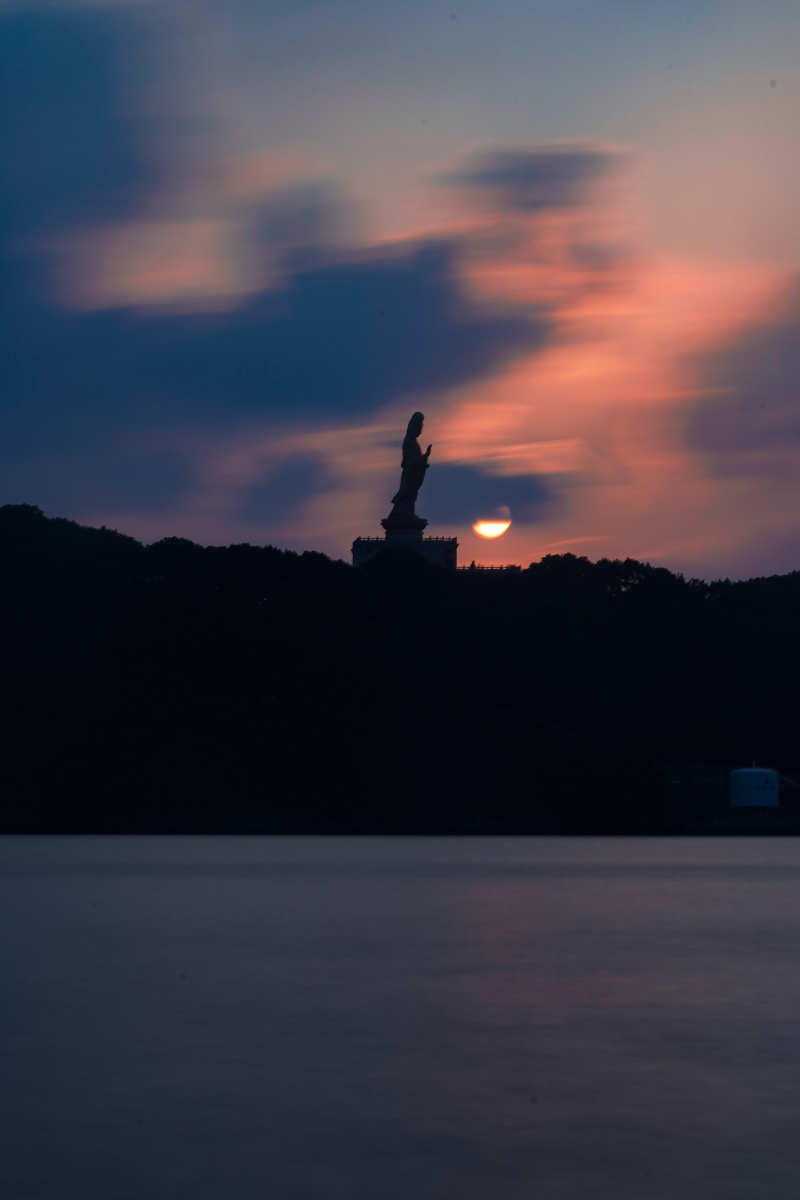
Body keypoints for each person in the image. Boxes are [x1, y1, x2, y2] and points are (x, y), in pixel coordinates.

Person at [387, 412, 431, 521]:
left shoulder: (412, 441)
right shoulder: (410, 442)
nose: (421, 428)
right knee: (407, 495)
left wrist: (423, 462)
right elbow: (412, 462)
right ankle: (402, 514)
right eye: (420, 425)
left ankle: (407, 513)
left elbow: (415, 461)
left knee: (411, 496)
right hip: (409, 475)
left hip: (411, 474)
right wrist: (425, 456)